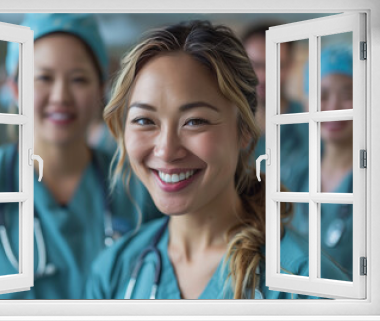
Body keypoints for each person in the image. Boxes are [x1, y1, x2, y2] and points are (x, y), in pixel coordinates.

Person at [85, 21, 348, 300]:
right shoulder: (113, 272)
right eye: (144, 120)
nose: (165, 150)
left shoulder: (306, 284)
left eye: (194, 121)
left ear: (244, 131)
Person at [0, 13, 160, 299]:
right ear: (14, 88)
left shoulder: (137, 185)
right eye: (43, 77)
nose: (60, 96)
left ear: (101, 88)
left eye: (79, 79)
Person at [289, 45, 354, 280]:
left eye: (347, 95)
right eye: (322, 95)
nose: (333, 108)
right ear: (307, 105)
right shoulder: (295, 175)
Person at [242, 22, 308, 192]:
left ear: (291, 66)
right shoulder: (223, 124)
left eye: (276, 65)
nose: (263, 76)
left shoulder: (311, 127)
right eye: (255, 65)